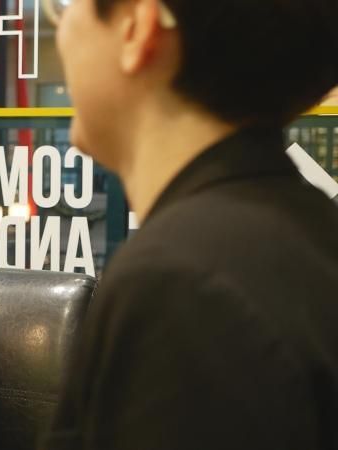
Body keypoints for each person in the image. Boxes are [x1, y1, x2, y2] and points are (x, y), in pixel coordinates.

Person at [46, 0, 338, 449]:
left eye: (66, 8)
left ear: (138, 29)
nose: (61, 31)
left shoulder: (179, 287)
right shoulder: (309, 230)